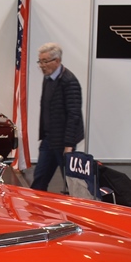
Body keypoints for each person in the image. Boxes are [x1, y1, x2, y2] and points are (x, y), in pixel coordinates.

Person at [30, 42, 84, 192]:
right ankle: (36, 205)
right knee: (39, 179)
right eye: (40, 61)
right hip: (49, 138)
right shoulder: (48, 78)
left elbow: (74, 115)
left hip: (63, 141)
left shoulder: (69, 81)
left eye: (45, 61)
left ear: (57, 61)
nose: (42, 65)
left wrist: (69, 145)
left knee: (71, 183)